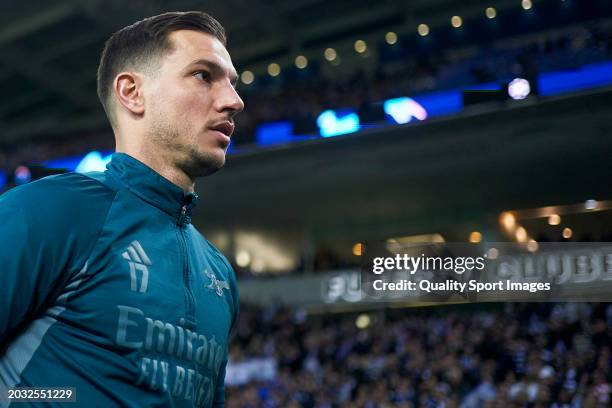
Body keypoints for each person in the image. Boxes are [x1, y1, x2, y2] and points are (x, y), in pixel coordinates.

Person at [0, 11, 243, 407]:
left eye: (233, 84)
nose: (234, 101)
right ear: (132, 92)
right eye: (203, 75)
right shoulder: (50, 211)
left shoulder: (220, 275)